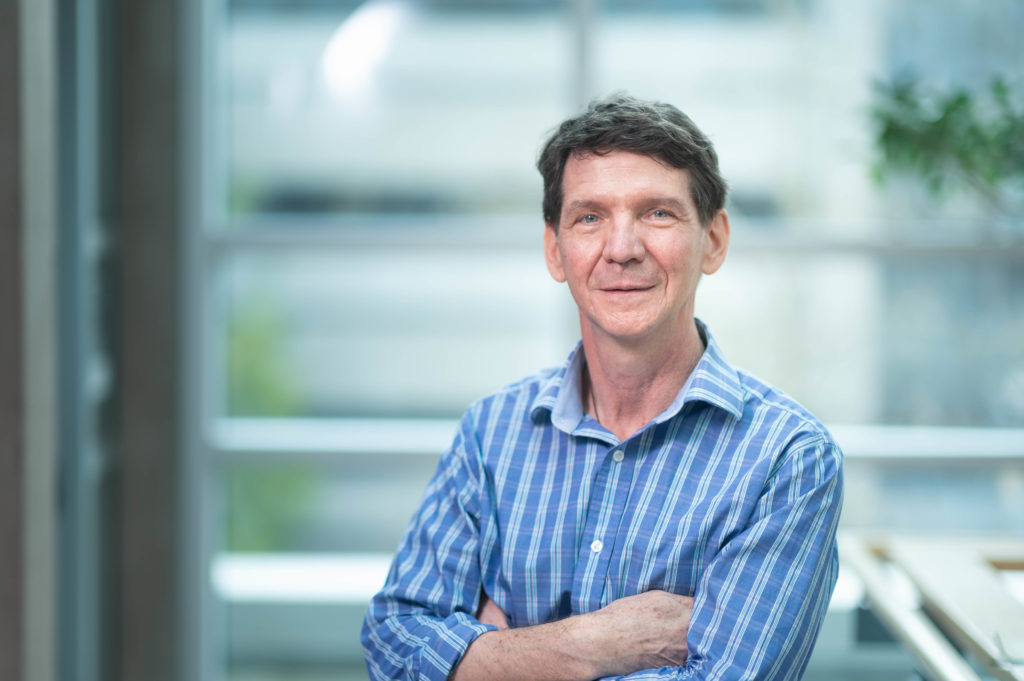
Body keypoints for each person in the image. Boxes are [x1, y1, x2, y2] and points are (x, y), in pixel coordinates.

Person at [361, 94, 843, 681]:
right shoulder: (491, 433)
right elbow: (391, 644)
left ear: (713, 240)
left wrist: (491, 657)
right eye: (590, 217)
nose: (621, 249)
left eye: (657, 213)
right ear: (554, 248)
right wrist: (591, 646)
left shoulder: (788, 461)